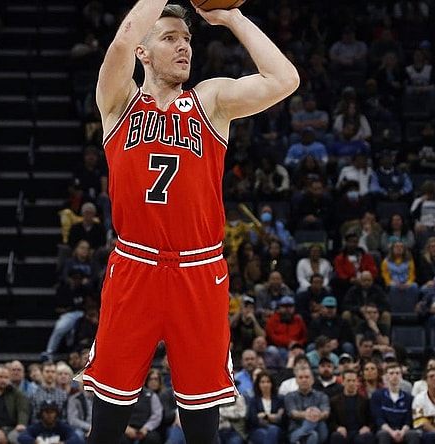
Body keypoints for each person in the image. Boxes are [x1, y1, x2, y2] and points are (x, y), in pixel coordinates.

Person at [81, 1, 298, 441]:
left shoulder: (211, 101)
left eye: (187, 39)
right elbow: (123, 38)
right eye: (169, 38)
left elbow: (285, 80)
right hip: (135, 267)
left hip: (199, 271)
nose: (184, 48)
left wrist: (232, 17)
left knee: (202, 426)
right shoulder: (118, 102)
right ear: (143, 52)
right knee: (107, 422)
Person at [370, 362, 418, 444]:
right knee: (383, 434)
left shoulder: (409, 398)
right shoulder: (377, 395)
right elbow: (379, 419)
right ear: (386, 376)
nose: (395, 376)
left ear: (401, 376)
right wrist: (392, 432)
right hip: (385, 430)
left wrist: (402, 432)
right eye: (391, 373)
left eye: (397, 373)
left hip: (403, 430)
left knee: (413, 434)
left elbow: (409, 420)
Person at [284, 366, 330, 444]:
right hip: (296, 431)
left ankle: (299, 439)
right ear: (296, 381)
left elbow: (326, 412)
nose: (304, 380)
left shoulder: (322, 396)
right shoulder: (290, 396)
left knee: (320, 425)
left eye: (307, 377)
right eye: (301, 378)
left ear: (312, 380)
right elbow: (293, 413)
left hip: (320, 430)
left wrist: (317, 415)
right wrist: (308, 414)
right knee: (313, 435)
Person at [17, 399, 84, 444]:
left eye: (52, 412)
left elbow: (76, 438)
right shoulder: (35, 427)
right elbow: (22, 437)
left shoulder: (62, 427)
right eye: (46, 412)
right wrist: (35, 442)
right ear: (41, 414)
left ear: (57, 414)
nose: (49, 415)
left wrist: (63, 443)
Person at [246, 370, 285, 444]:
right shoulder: (253, 400)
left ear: (272, 384)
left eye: (268, 382)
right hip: (257, 430)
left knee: (273, 430)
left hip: (277, 429)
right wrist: (273, 417)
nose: (265, 385)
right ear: (258, 384)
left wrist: (265, 416)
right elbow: (252, 420)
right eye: (262, 382)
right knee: (265, 434)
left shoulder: (280, 399)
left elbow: (281, 418)